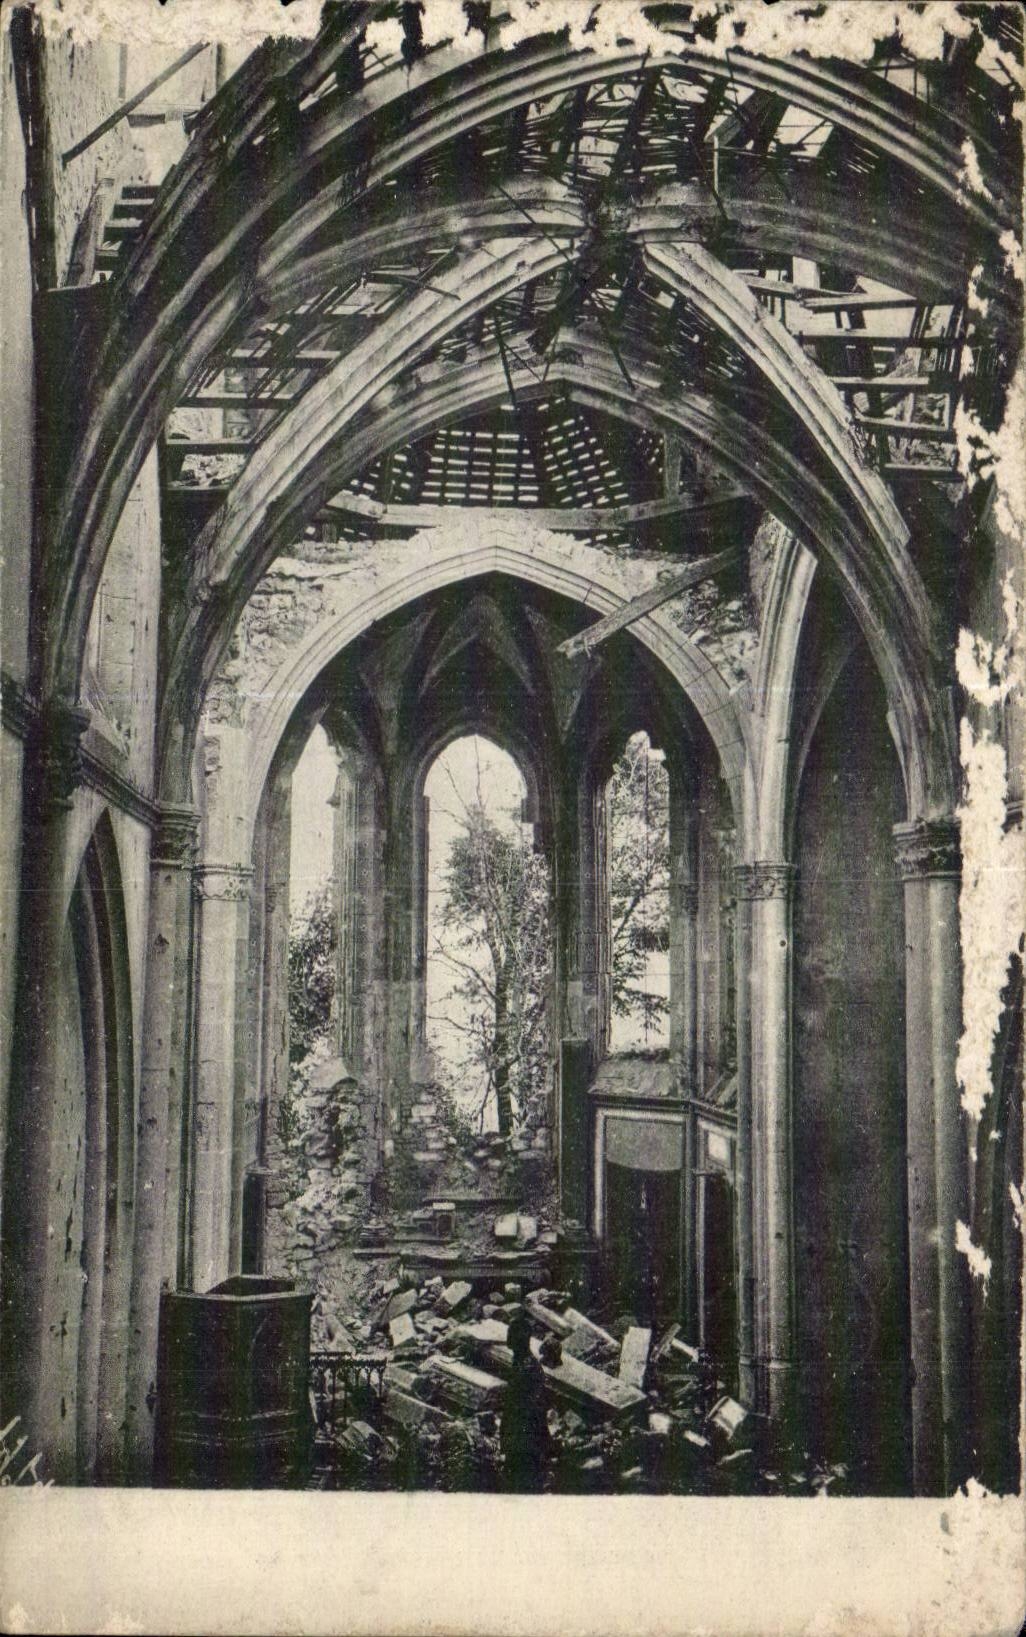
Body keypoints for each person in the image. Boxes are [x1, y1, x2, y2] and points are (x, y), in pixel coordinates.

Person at [499, 1311, 551, 1492]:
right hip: (520, 1436)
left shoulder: (528, 1367)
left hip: (525, 1439)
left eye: (511, 1335)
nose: (508, 1339)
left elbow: (532, 1408)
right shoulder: (520, 1362)